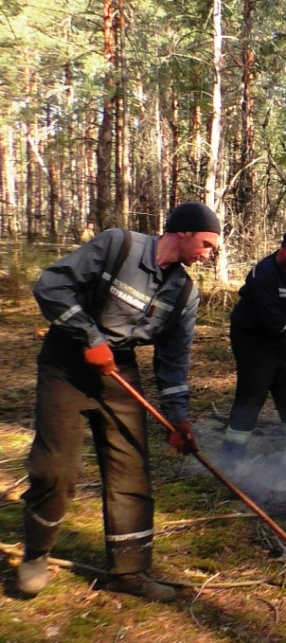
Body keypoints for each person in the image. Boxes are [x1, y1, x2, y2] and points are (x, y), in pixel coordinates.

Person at [18, 202, 221, 603]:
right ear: (182, 233)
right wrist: (88, 336)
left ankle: (129, 572)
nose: (209, 253)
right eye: (206, 243)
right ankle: (36, 553)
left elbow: (173, 360)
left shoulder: (185, 292)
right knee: (55, 468)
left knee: (131, 470)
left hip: (118, 370)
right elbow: (51, 285)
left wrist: (177, 419)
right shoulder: (119, 246)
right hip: (67, 361)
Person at [220, 228, 286, 460]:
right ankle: (231, 456)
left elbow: (284, 315)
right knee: (253, 392)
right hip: (251, 338)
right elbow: (270, 317)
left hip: (276, 337)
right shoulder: (265, 273)